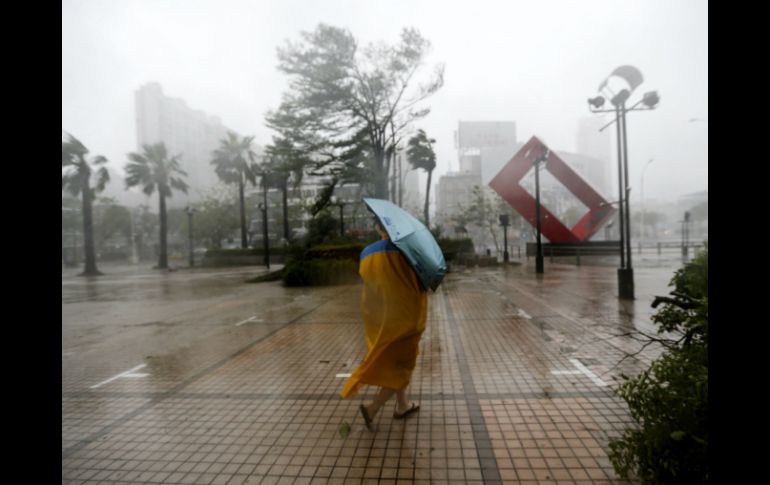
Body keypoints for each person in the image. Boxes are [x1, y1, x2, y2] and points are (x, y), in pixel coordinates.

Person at [340, 216, 428, 431]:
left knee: (392, 362)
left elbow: (368, 281)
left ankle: (402, 406)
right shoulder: (407, 251)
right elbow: (421, 280)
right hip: (405, 316)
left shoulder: (367, 253)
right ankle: (373, 408)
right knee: (402, 366)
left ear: (378, 227)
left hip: (379, 317)